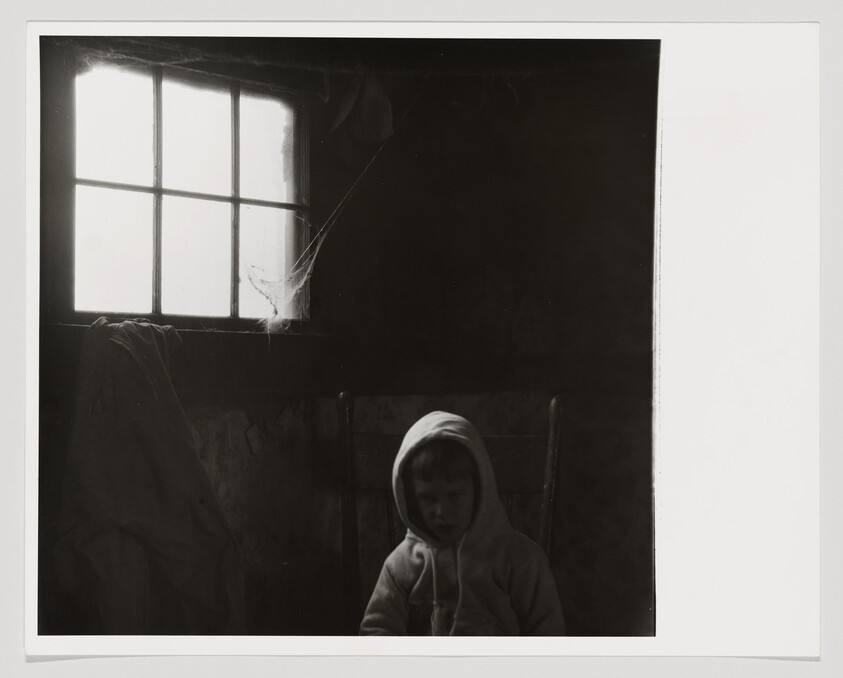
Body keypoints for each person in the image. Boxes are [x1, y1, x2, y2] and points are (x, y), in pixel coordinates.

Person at [360, 410, 565, 636]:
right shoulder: (402, 564)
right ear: (411, 500)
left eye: (455, 495)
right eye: (428, 498)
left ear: (479, 490)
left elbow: (548, 635)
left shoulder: (521, 559)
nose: (441, 511)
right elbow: (377, 632)